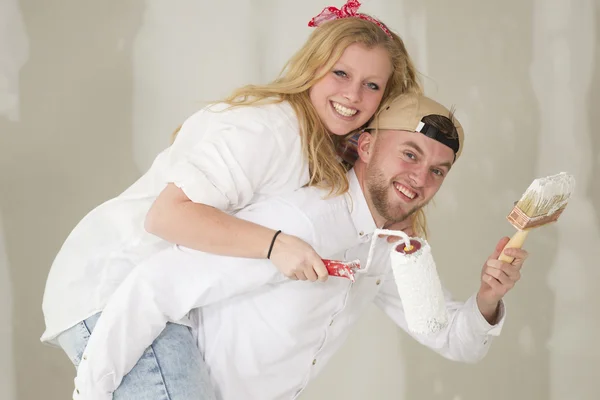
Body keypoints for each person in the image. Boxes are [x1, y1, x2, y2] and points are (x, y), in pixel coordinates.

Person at [42, 1, 422, 398]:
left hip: (163, 302)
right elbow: (166, 217)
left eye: (372, 85)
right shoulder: (268, 130)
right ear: (313, 67)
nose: (353, 94)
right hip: (113, 284)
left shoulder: (323, 149)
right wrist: (275, 244)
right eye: (340, 73)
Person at [71, 93, 529, 400]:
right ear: (366, 145)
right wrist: (90, 392)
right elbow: (156, 285)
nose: (421, 178)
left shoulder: (392, 249)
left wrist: (488, 299)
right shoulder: (301, 219)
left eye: (438, 170)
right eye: (409, 153)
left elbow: (447, 335)